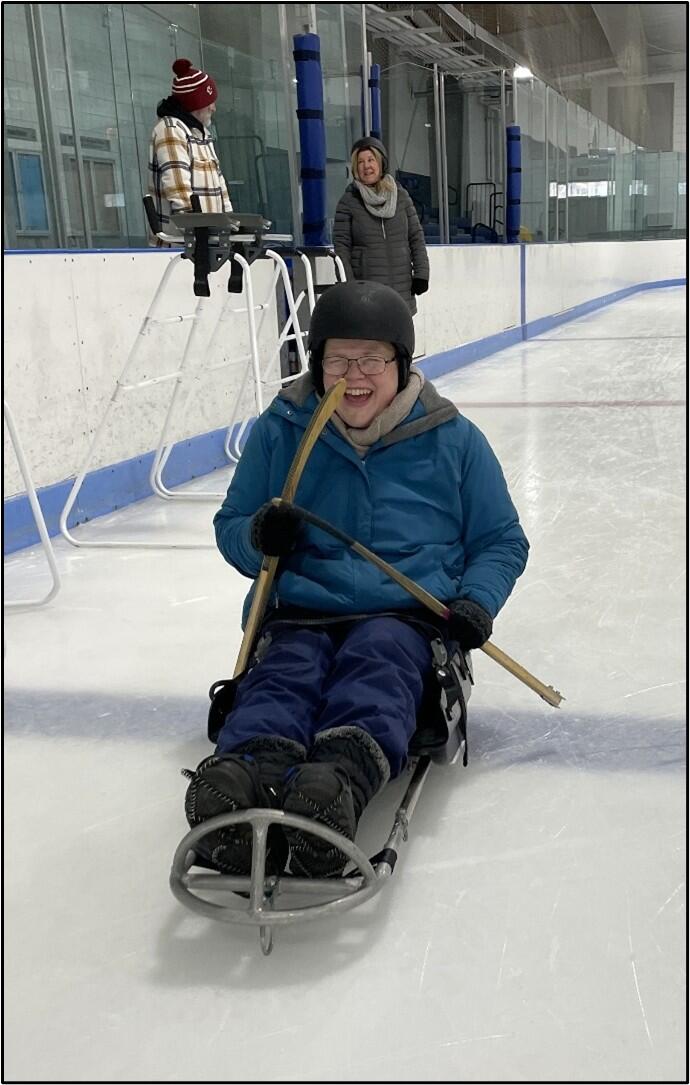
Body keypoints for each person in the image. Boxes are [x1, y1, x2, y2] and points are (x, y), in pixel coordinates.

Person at [182, 281, 528, 879]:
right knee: (287, 671)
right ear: (318, 364)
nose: (355, 375)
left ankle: (336, 782)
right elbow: (232, 525)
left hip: (403, 614)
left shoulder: (452, 439)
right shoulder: (283, 430)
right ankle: (244, 777)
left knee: (377, 664)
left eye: (372, 360)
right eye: (339, 359)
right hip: (300, 609)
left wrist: (477, 600)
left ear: (402, 362)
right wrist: (260, 535)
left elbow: (501, 539)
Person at [332, 136, 429, 314]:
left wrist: (422, 274)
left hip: (401, 289)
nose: (366, 166)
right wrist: (348, 285)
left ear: (381, 163)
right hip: (367, 293)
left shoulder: (401, 197)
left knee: (400, 341)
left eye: (371, 160)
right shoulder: (348, 202)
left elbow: (416, 237)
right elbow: (341, 248)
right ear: (355, 168)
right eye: (360, 162)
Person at [148, 57, 232, 241]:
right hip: (182, 244)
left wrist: (231, 225)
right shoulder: (170, 130)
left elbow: (220, 186)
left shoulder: (202, 134)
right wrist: (199, 232)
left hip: (209, 239)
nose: (214, 108)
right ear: (195, 104)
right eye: (209, 102)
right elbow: (179, 190)